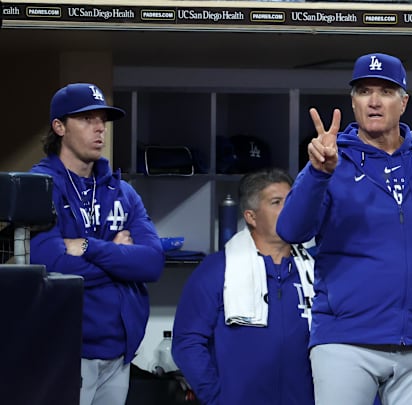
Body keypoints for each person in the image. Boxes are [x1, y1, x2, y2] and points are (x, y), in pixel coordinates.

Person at [276, 52, 412, 405]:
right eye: (364, 91)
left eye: (386, 91)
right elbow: (291, 231)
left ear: (403, 102)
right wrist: (317, 174)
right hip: (345, 340)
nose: (373, 101)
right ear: (353, 102)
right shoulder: (330, 160)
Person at [29, 82, 165, 405]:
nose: (100, 127)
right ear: (59, 126)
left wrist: (90, 247)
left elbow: (152, 263)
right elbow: (53, 266)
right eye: (87, 118)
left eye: (102, 119)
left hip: (119, 354)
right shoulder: (42, 187)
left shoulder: (122, 192)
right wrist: (121, 255)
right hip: (66, 352)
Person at [172, 168, 315, 405]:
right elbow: (187, 342)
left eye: (292, 200)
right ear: (251, 216)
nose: (288, 208)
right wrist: (217, 397)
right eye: (276, 202)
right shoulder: (218, 270)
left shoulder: (314, 271)